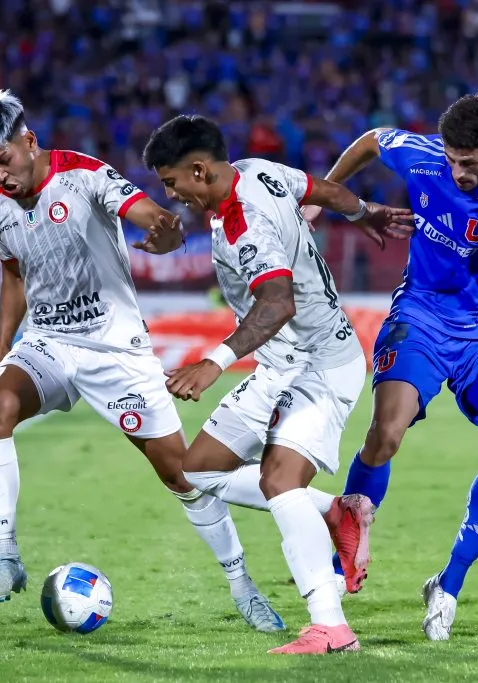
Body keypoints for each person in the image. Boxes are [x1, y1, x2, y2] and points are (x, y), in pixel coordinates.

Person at [0, 90, 286, 632]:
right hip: (49, 343)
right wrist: (0, 357)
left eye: (4, 159)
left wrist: (165, 231)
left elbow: (154, 215)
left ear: (29, 140)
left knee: (182, 475)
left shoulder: (84, 174)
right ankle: (6, 556)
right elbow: (14, 278)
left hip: (114, 349)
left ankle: (242, 584)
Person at [141, 114, 414, 654]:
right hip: (279, 366)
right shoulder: (255, 170)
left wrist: (214, 361)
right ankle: (338, 510)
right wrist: (364, 212)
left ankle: (330, 627)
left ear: (199, 169)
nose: (171, 195)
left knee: (279, 482)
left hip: (319, 363)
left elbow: (278, 303)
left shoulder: (246, 222)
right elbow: (326, 190)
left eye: (171, 182)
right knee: (196, 471)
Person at [303, 93, 478, 641]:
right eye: (452, 159)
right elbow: (373, 139)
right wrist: (325, 196)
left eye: (471, 162)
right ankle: (332, 570)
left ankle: (449, 583)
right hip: (420, 312)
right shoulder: (420, 155)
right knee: (385, 434)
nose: (459, 172)